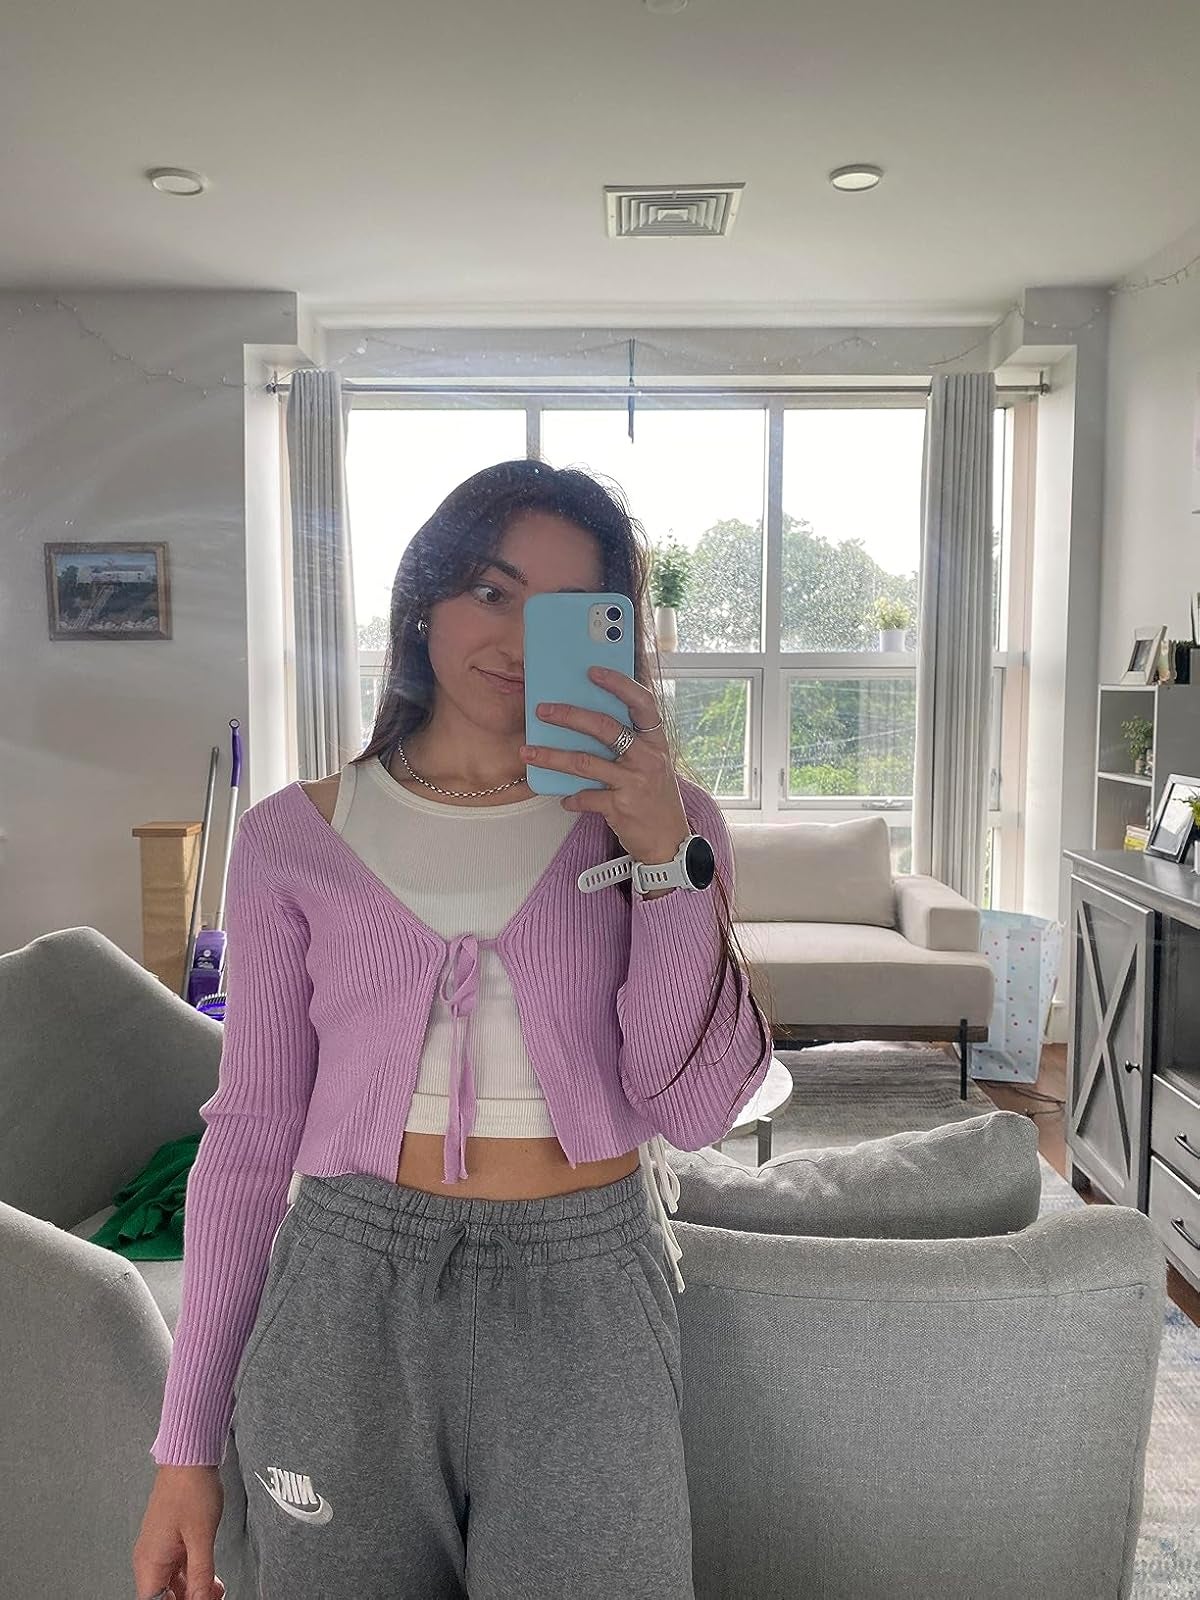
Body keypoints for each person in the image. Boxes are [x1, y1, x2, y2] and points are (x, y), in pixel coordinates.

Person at [133, 459, 773, 1600]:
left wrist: (664, 857)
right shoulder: (291, 837)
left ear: (613, 637)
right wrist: (185, 1449)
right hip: (345, 1292)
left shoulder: (667, 824)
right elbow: (249, 1140)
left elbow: (691, 1107)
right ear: (423, 601)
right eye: (490, 590)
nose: (519, 640)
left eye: (565, 610)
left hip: (588, 1287)